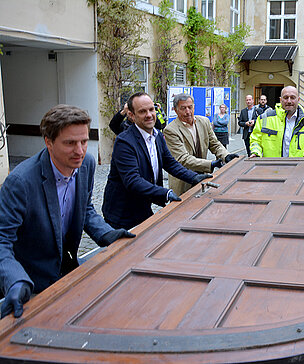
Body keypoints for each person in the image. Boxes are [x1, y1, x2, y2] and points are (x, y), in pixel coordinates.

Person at [0, 105, 135, 318]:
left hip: (68, 274)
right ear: (48, 142)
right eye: (70, 143)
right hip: (30, 286)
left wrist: (108, 234)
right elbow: (2, 241)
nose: (80, 151)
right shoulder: (20, 182)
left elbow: (85, 209)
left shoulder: (87, 164)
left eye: (83, 141)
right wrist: (15, 280)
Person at [103, 92, 212, 230]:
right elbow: (132, 180)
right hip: (122, 213)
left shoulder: (158, 135)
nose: (149, 115)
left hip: (143, 206)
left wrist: (195, 177)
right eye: (142, 111)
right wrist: (165, 193)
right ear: (131, 115)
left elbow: (170, 163)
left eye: (151, 109)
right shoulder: (124, 142)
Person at [164, 94, 239, 195]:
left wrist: (226, 155)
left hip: (202, 177)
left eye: (190, 107)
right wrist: (210, 164)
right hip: (183, 181)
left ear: (194, 107)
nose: (188, 111)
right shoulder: (170, 130)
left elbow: (215, 144)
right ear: (176, 110)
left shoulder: (204, 121)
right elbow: (183, 158)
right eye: (183, 108)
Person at [249, 86, 304, 158]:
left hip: (299, 167)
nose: (289, 101)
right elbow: (255, 140)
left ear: (298, 99)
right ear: (280, 100)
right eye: (286, 98)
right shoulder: (264, 119)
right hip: (272, 166)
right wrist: (256, 152)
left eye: (293, 97)